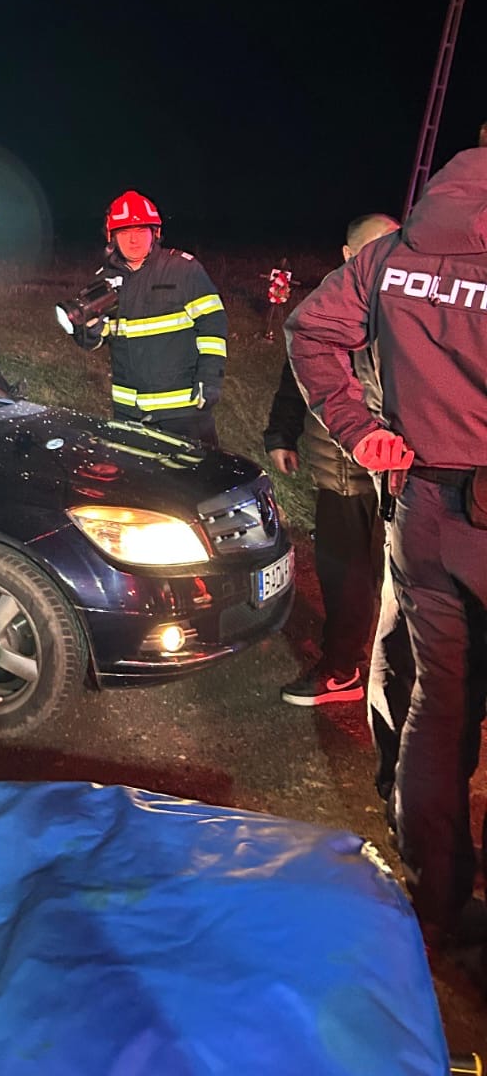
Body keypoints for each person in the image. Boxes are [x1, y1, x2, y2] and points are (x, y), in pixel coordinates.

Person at [286, 147, 487, 946]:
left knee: (440, 699)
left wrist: (360, 429)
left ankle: (437, 889)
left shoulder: (395, 253)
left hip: (425, 507)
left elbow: (310, 331)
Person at [263, 213, 398, 706]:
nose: (386, 258)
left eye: (395, 246)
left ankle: (361, 669)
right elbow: (297, 372)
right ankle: (344, 666)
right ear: (348, 255)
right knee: (346, 573)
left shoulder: (410, 303)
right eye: (374, 248)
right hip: (342, 466)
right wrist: (282, 434)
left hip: (394, 470)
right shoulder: (333, 304)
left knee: (381, 574)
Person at [67, 189, 227, 445]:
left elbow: (213, 324)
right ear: (111, 237)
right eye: (125, 232)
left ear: (156, 233)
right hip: (129, 410)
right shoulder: (104, 281)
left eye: (141, 231)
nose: (134, 240)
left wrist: (210, 378)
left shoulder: (184, 269)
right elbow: (96, 337)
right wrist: (90, 331)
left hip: (183, 408)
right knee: (133, 470)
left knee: (195, 470)